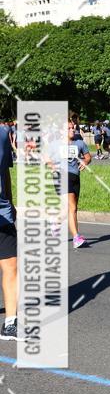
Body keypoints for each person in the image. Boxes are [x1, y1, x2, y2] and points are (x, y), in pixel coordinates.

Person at [0, 121, 21, 340]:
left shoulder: (3, 133)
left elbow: (4, 171)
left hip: (2, 210)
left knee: (11, 265)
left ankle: (10, 324)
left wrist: (10, 203)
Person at [61, 120, 92, 248]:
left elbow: (88, 157)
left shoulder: (79, 143)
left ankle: (56, 222)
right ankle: (76, 238)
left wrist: (85, 162)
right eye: (69, 128)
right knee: (72, 207)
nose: (72, 130)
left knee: (72, 208)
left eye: (73, 127)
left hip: (75, 177)